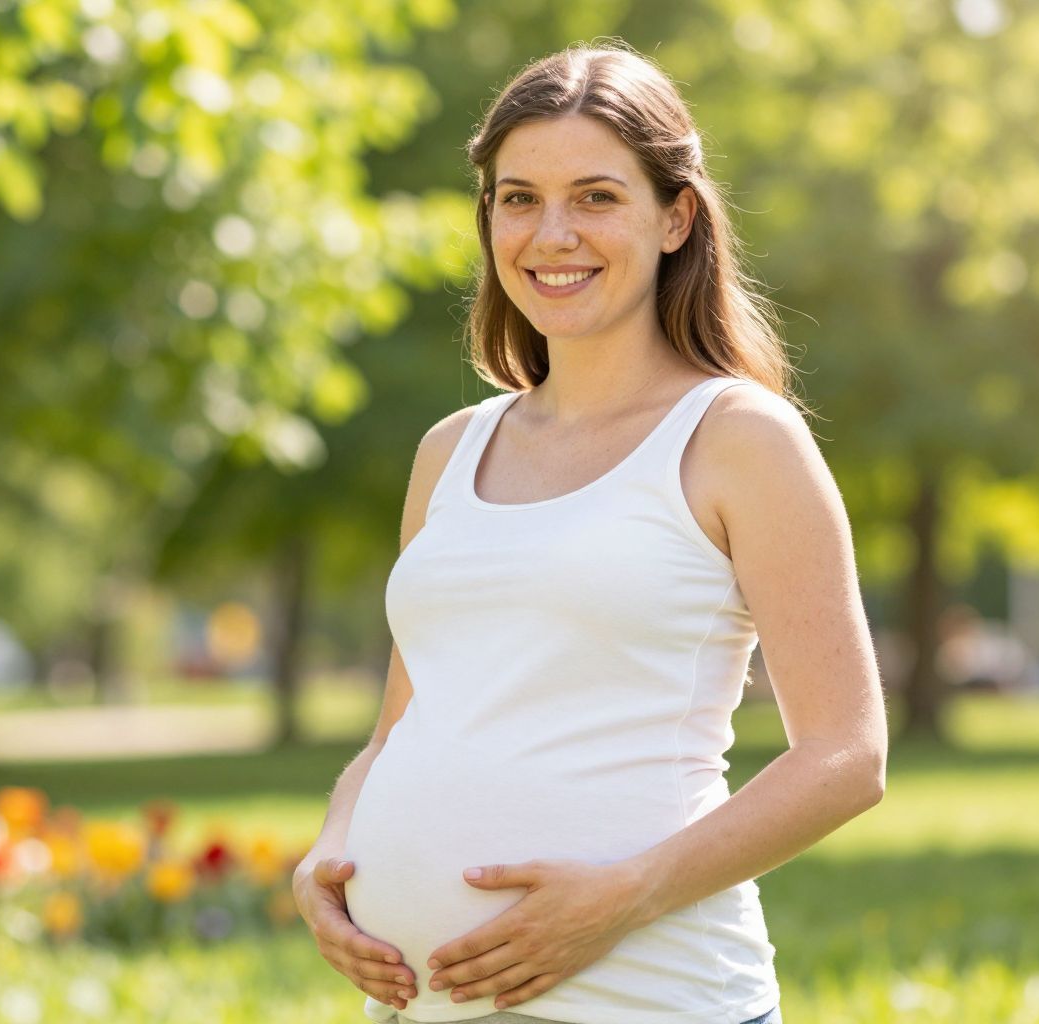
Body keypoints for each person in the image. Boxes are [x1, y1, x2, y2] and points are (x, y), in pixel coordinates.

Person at [290, 39, 888, 1024]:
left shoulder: (738, 439)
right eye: (517, 198)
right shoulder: (450, 449)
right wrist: (330, 848)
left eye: (597, 197)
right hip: (423, 1007)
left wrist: (624, 896)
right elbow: (398, 728)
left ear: (675, 217)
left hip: (652, 998)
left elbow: (846, 756)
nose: (550, 233)